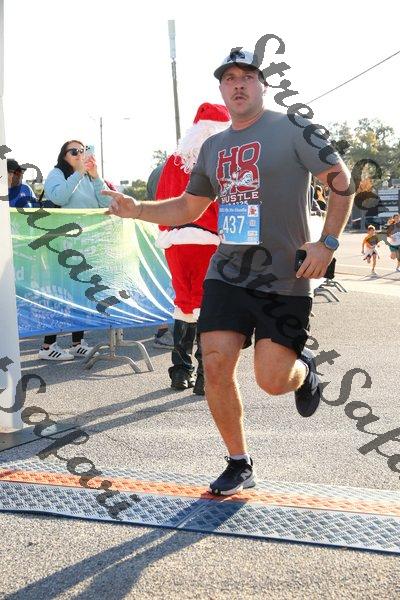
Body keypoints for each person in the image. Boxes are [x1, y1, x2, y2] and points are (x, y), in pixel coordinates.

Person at [102, 49, 354, 496]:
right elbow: (188, 207)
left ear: (263, 85)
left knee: (272, 380)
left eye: (247, 76)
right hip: (228, 273)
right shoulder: (213, 147)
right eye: (229, 78)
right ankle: (239, 462)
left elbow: (341, 181)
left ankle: (303, 368)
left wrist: (328, 242)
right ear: (221, 89)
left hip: (284, 275)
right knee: (216, 364)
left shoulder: (295, 129)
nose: (238, 84)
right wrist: (137, 208)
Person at [155, 102, 230, 395]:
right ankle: (204, 376)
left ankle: (180, 371)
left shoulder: (175, 161)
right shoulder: (224, 161)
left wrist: (166, 233)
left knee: (184, 302)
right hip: (212, 241)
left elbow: (162, 200)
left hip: (178, 241)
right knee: (210, 305)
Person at [38, 140, 111, 361]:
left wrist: (95, 175)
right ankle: (47, 346)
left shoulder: (88, 177)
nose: (80, 154)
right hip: (62, 245)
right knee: (60, 293)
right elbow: (58, 197)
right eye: (74, 151)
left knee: (80, 293)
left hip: (85, 243)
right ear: (64, 156)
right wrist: (79, 173)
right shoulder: (57, 174)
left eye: (83, 150)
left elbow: (104, 203)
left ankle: (77, 343)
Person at [146, 163, 174, 349]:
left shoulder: (157, 171)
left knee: (162, 281)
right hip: (180, 231)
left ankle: (163, 330)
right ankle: (188, 329)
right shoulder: (187, 167)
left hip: (159, 230)